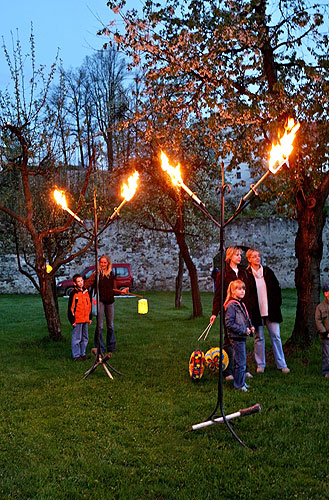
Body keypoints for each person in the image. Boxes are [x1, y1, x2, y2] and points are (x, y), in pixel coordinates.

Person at [210, 246, 253, 380]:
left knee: (242, 338)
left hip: (242, 309)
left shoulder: (243, 273)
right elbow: (218, 294)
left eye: (240, 255)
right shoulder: (222, 273)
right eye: (237, 255)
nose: (240, 257)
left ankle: (243, 368)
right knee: (229, 339)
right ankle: (227, 371)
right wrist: (214, 312)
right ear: (229, 257)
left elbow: (248, 292)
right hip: (229, 309)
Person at [245, 248, 290, 374]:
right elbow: (246, 294)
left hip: (271, 311)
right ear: (249, 259)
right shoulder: (247, 274)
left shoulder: (268, 272)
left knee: (276, 336)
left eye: (258, 256)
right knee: (259, 338)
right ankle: (261, 364)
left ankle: (282, 364)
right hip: (256, 312)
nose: (257, 258)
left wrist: (277, 304)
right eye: (254, 256)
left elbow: (277, 289)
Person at [84, 254, 129, 356]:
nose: (103, 264)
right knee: (99, 326)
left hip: (109, 301)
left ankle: (111, 346)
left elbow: (113, 289)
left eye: (105, 262)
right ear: (99, 263)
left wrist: (121, 292)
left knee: (110, 325)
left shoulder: (111, 274)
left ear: (108, 263)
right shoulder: (96, 274)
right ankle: (100, 347)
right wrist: (80, 291)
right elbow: (87, 284)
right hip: (100, 301)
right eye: (101, 262)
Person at [224, 280, 254, 391]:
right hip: (237, 336)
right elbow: (229, 323)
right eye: (239, 289)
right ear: (232, 291)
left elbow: (245, 318)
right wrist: (243, 330)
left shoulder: (240, 304)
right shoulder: (232, 306)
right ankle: (239, 385)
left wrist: (250, 327)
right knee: (240, 362)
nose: (242, 291)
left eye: (243, 289)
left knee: (240, 360)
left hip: (241, 336)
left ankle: (241, 382)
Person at [67, 274, 92, 361]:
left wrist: (90, 317)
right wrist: (72, 320)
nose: (81, 283)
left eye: (81, 281)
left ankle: (83, 353)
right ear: (74, 283)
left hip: (85, 319)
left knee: (85, 337)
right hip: (77, 320)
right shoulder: (73, 293)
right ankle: (76, 355)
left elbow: (89, 304)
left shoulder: (86, 291)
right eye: (78, 281)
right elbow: (71, 308)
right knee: (77, 338)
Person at [314, 282, 329, 378]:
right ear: (325, 293)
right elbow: (318, 320)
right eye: (328, 291)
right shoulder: (320, 307)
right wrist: (324, 332)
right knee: (326, 354)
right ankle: (326, 371)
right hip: (326, 335)